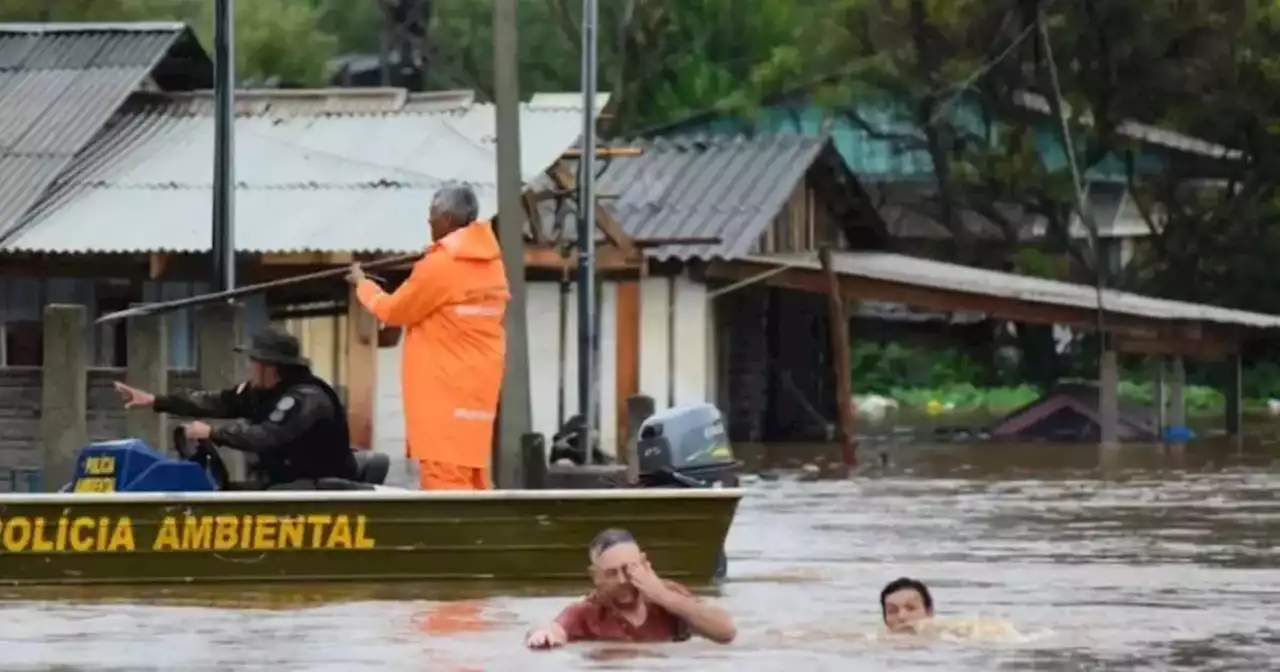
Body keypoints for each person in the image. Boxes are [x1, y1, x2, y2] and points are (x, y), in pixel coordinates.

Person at [346, 184, 509, 491]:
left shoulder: (442, 265)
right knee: (474, 480)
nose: (429, 224)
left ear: (446, 219)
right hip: (476, 397)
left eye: (431, 217)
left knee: (444, 487)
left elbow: (394, 310)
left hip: (443, 397)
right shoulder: (492, 265)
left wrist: (362, 285)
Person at [113, 330, 359, 489]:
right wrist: (156, 400)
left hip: (318, 488)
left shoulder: (306, 398)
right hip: (281, 481)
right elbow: (217, 401)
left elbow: (265, 436)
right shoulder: (261, 391)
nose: (249, 367)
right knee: (226, 492)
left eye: (253, 361)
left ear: (270, 366)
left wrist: (212, 433)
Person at [524, 529, 736, 649]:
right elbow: (554, 629)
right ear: (595, 576)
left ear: (644, 564)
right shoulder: (587, 612)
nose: (623, 580)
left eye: (629, 569)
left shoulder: (669, 597)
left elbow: (726, 632)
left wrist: (663, 596)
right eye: (611, 573)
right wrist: (541, 635)